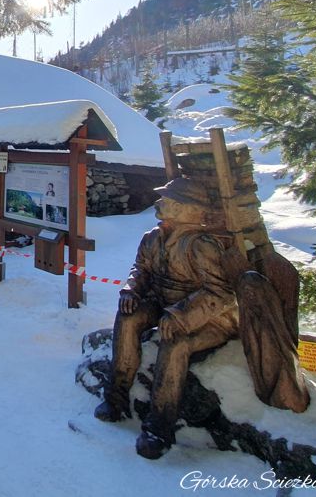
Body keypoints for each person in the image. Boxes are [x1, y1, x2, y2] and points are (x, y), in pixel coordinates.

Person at [94, 177, 239, 460]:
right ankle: (116, 397)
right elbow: (140, 270)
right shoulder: (152, 238)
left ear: (189, 210)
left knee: (175, 346)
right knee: (128, 319)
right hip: (162, 304)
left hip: (207, 319)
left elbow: (220, 293)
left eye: (169, 201)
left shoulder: (201, 246)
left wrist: (183, 316)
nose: (160, 204)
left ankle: (159, 427)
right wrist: (130, 291)